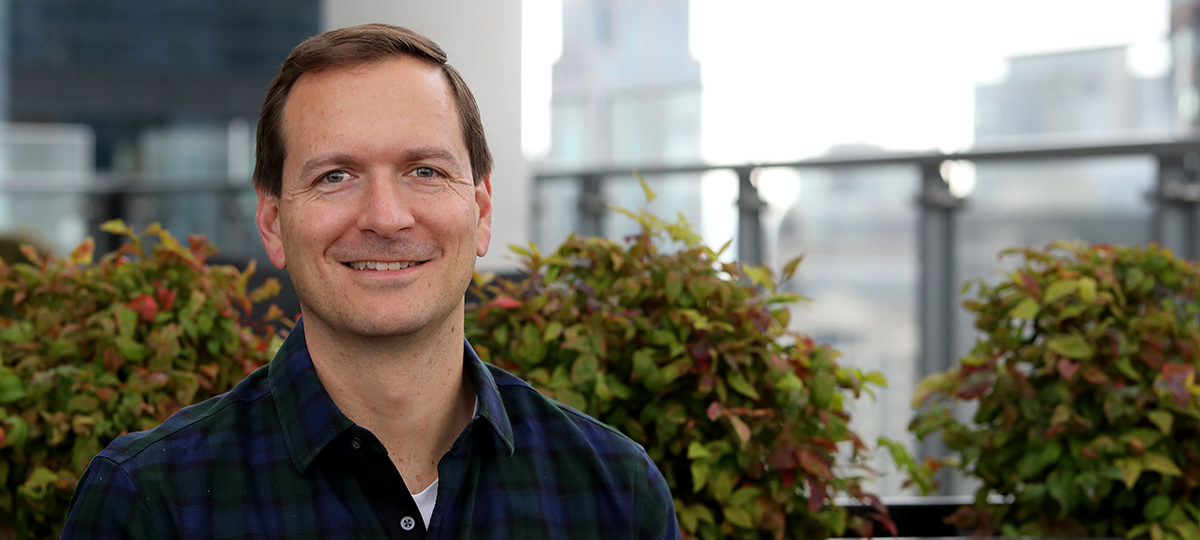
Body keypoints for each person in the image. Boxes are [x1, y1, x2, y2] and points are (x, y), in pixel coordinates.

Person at [61, 23, 679, 539]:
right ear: (273, 222)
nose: (385, 217)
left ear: (482, 212)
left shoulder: (613, 494)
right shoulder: (151, 502)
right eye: (335, 175)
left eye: (425, 170)